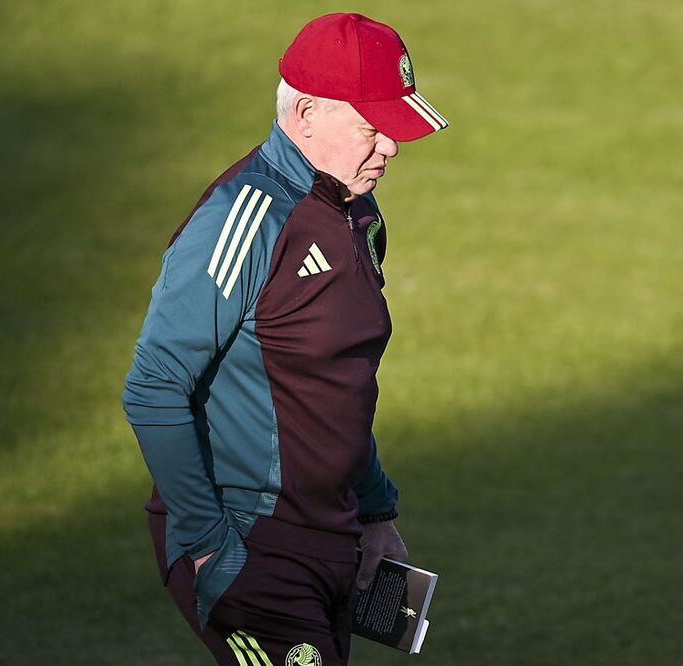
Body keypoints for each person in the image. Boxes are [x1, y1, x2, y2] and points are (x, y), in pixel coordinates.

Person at [121, 13, 448, 666]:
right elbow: (153, 385)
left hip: (332, 538)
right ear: (304, 115)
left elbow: (334, 383)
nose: (389, 147)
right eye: (371, 127)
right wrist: (211, 543)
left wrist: (377, 513)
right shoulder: (239, 222)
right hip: (251, 545)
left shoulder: (357, 214)